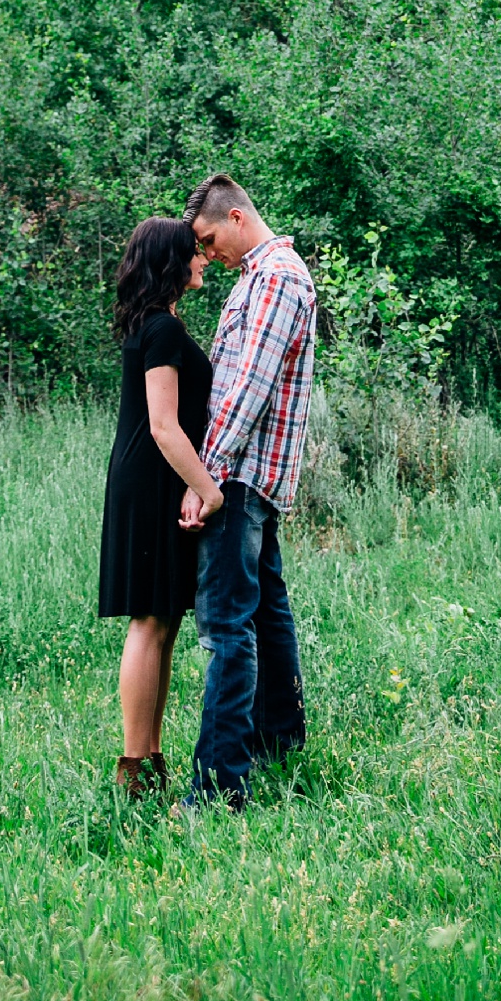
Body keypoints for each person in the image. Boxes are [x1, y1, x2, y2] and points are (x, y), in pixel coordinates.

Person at [180, 172, 316, 808]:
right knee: (265, 610)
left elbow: (248, 390)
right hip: (251, 473)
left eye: (209, 240)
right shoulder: (257, 278)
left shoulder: (275, 277)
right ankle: (279, 744)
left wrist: (202, 478)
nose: (207, 254)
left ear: (236, 219)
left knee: (229, 625)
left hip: (237, 475)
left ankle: (218, 785)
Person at [97, 216, 220, 796]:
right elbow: (165, 427)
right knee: (150, 621)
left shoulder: (156, 323)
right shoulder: (163, 331)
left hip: (152, 478)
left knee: (163, 621)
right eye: (195, 252)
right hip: (153, 479)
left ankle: (148, 759)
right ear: (173, 262)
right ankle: (134, 769)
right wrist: (210, 489)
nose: (204, 260)